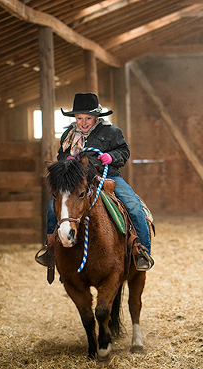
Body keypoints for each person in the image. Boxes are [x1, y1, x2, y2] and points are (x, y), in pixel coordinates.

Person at [35, 92, 154, 271]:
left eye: (88, 118)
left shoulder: (112, 131)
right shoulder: (68, 134)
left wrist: (111, 157)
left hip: (108, 176)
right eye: (79, 117)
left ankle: (141, 250)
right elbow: (61, 155)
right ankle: (50, 247)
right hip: (78, 181)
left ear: (96, 117)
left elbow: (124, 151)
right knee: (54, 208)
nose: (83, 122)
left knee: (133, 206)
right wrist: (66, 160)